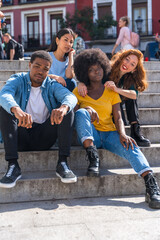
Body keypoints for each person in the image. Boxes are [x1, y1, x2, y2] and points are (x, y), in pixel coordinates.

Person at [73, 48, 160, 209]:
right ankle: (93, 157)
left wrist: (122, 134)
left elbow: (119, 116)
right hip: (91, 135)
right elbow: (74, 115)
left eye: (98, 68)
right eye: (91, 69)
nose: (96, 71)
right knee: (81, 113)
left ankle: (151, 184)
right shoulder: (80, 91)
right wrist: (82, 92)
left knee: (131, 145)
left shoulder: (112, 90)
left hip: (110, 133)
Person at [0, 50, 77, 188]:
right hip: (21, 136)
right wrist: (16, 109)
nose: (40, 71)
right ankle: (13, 166)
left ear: (49, 71)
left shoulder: (51, 85)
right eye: (37, 66)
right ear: (29, 65)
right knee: (5, 108)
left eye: (45, 69)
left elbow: (70, 97)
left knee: (67, 110)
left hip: (43, 137)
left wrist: (63, 108)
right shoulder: (18, 79)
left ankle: (63, 163)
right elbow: (4, 94)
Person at [78, 49, 150, 147]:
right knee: (119, 111)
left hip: (116, 102)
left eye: (132, 64)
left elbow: (134, 94)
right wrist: (82, 83)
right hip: (102, 103)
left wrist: (117, 89)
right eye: (127, 59)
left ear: (134, 70)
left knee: (130, 96)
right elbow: (91, 76)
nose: (127, 64)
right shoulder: (107, 68)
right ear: (122, 58)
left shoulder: (129, 78)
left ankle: (135, 130)